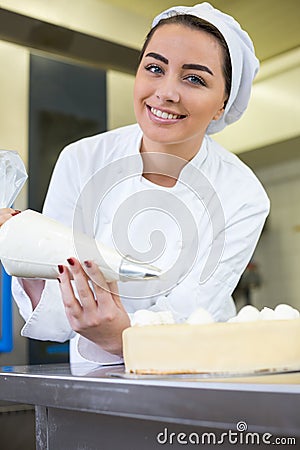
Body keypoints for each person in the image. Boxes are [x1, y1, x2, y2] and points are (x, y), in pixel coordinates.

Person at [0, 3, 269, 364]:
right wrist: (21, 243)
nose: (166, 92)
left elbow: (192, 313)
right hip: (91, 375)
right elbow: (56, 298)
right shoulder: (82, 158)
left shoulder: (243, 194)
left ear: (223, 103)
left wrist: (122, 338)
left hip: (191, 371)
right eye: (155, 68)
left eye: (194, 78)